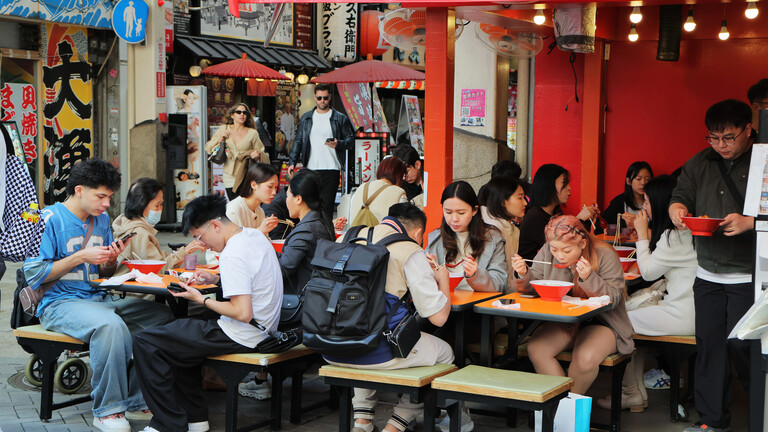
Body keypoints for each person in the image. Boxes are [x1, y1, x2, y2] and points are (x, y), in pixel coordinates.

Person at [22, 159, 174, 432]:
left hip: (97, 298)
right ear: (79, 190)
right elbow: (34, 274)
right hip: (58, 303)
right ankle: (108, 410)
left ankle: (137, 399)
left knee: (162, 317)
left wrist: (110, 260)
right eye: (101, 196)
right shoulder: (47, 219)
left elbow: (102, 271)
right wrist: (81, 256)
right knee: (110, 326)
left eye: (109, 197)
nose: (106, 204)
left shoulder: (101, 220)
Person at [133, 195, 283, 432]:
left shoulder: (233, 252)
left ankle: (167, 424)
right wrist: (214, 278)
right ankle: (195, 419)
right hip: (264, 329)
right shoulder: (254, 236)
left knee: (145, 341)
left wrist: (200, 299)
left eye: (199, 237)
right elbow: (251, 282)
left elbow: (242, 313)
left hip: (243, 333)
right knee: (178, 341)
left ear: (215, 225)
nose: (202, 245)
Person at [322, 203, 454, 432]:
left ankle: (362, 422)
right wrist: (442, 279)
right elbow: (439, 318)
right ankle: (397, 423)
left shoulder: (347, 237)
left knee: (363, 333)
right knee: (445, 354)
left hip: (331, 345)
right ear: (418, 233)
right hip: (378, 351)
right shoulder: (409, 249)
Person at [669, 99, 756, 432]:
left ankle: (761, 412)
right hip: (707, 273)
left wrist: (751, 222)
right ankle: (712, 420)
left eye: (729, 138)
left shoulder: (763, 161)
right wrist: (677, 210)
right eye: (714, 138)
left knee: (746, 347)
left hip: (748, 275)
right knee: (709, 347)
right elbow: (681, 194)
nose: (721, 145)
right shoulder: (699, 163)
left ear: (748, 130)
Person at [596, 175, 696, 412]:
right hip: (688, 310)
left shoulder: (674, 236)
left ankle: (631, 393)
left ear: (661, 204)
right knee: (631, 322)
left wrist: (642, 233)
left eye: (648, 202)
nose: (644, 207)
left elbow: (649, 272)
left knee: (620, 320)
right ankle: (635, 393)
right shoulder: (683, 232)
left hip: (681, 316)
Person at [511, 215, 634, 395]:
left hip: (603, 322)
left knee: (585, 357)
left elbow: (614, 298)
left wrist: (589, 278)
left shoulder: (604, 253)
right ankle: (561, 402)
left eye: (567, 250)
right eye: (554, 249)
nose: (559, 256)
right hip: (564, 321)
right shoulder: (548, 250)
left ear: (582, 243)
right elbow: (534, 286)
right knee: (537, 349)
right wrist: (523, 274)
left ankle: (568, 406)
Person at [288, 83, 355, 220]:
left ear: (330, 97)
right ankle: (312, 230)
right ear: (314, 97)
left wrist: (338, 143)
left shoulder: (340, 118)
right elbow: (298, 140)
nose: (322, 101)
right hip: (311, 167)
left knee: (327, 207)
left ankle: (326, 232)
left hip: (332, 168)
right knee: (311, 206)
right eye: (319, 98)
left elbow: (350, 140)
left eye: (325, 98)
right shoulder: (307, 118)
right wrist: (292, 162)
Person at [426, 181, 507, 293]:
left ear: (474, 210)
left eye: (461, 213)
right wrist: (428, 269)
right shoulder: (435, 239)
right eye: (448, 212)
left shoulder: (493, 239)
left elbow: (500, 283)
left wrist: (475, 275)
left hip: (478, 303)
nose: (454, 219)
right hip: (445, 301)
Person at [112, 178, 204, 275]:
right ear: (141, 205)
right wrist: (185, 251)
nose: (160, 209)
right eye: (157, 205)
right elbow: (158, 270)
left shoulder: (129, 224)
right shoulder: (139, 233)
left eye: (161, 204)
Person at [518, 164, 599, 260]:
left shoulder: (556, 211)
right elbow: (563, 247)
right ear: (548, 186)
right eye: (564, 183)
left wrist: (586, 220)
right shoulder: (534, 216)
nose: (569, 188)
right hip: (531, 268)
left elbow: (579, 244)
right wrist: (578, 221)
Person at [206, 162, 279, 265]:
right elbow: (233, 247)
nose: (274, 192)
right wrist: (259, 232)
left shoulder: (259, 211)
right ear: (253, 185)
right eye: (270, 187)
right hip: (222, 264)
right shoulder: (234, 209)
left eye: (276, 188)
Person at [276, 169, 335, 293]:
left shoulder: (305, 231)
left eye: (288, 195)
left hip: (302, 298)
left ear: (298, 199)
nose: (286, 200)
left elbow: (282, 269)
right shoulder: (322, 219)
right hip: (317, 294)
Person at [205, 103, 270, 200]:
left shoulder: (252, 133)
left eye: (244, 113)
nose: (242, 114)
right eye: (238, 112)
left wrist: (257, 156)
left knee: (245, 202)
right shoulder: (224, 129)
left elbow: (261, 151)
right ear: (232, 115)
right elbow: (208, 147)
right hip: (229, 174)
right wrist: (221, 139)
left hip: (246, 173)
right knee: (234, 203)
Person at [478, 176, 527, 291]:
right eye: (520, 198)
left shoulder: (511, 229)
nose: (525, 203)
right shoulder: (490, 229)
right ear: (503, 202)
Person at [348, 157, 408, 226]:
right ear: (399, 176)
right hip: (383, 233)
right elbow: (405, 225)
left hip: (355, 232)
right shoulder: (398, 193)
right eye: (403, 176)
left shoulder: (361, 188)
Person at [602, 161, 653, 229]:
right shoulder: (619, 202)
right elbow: (601, 225)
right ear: (628, 181)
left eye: (647, 179)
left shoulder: (655, 202)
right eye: (638, 179)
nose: (643, 183)